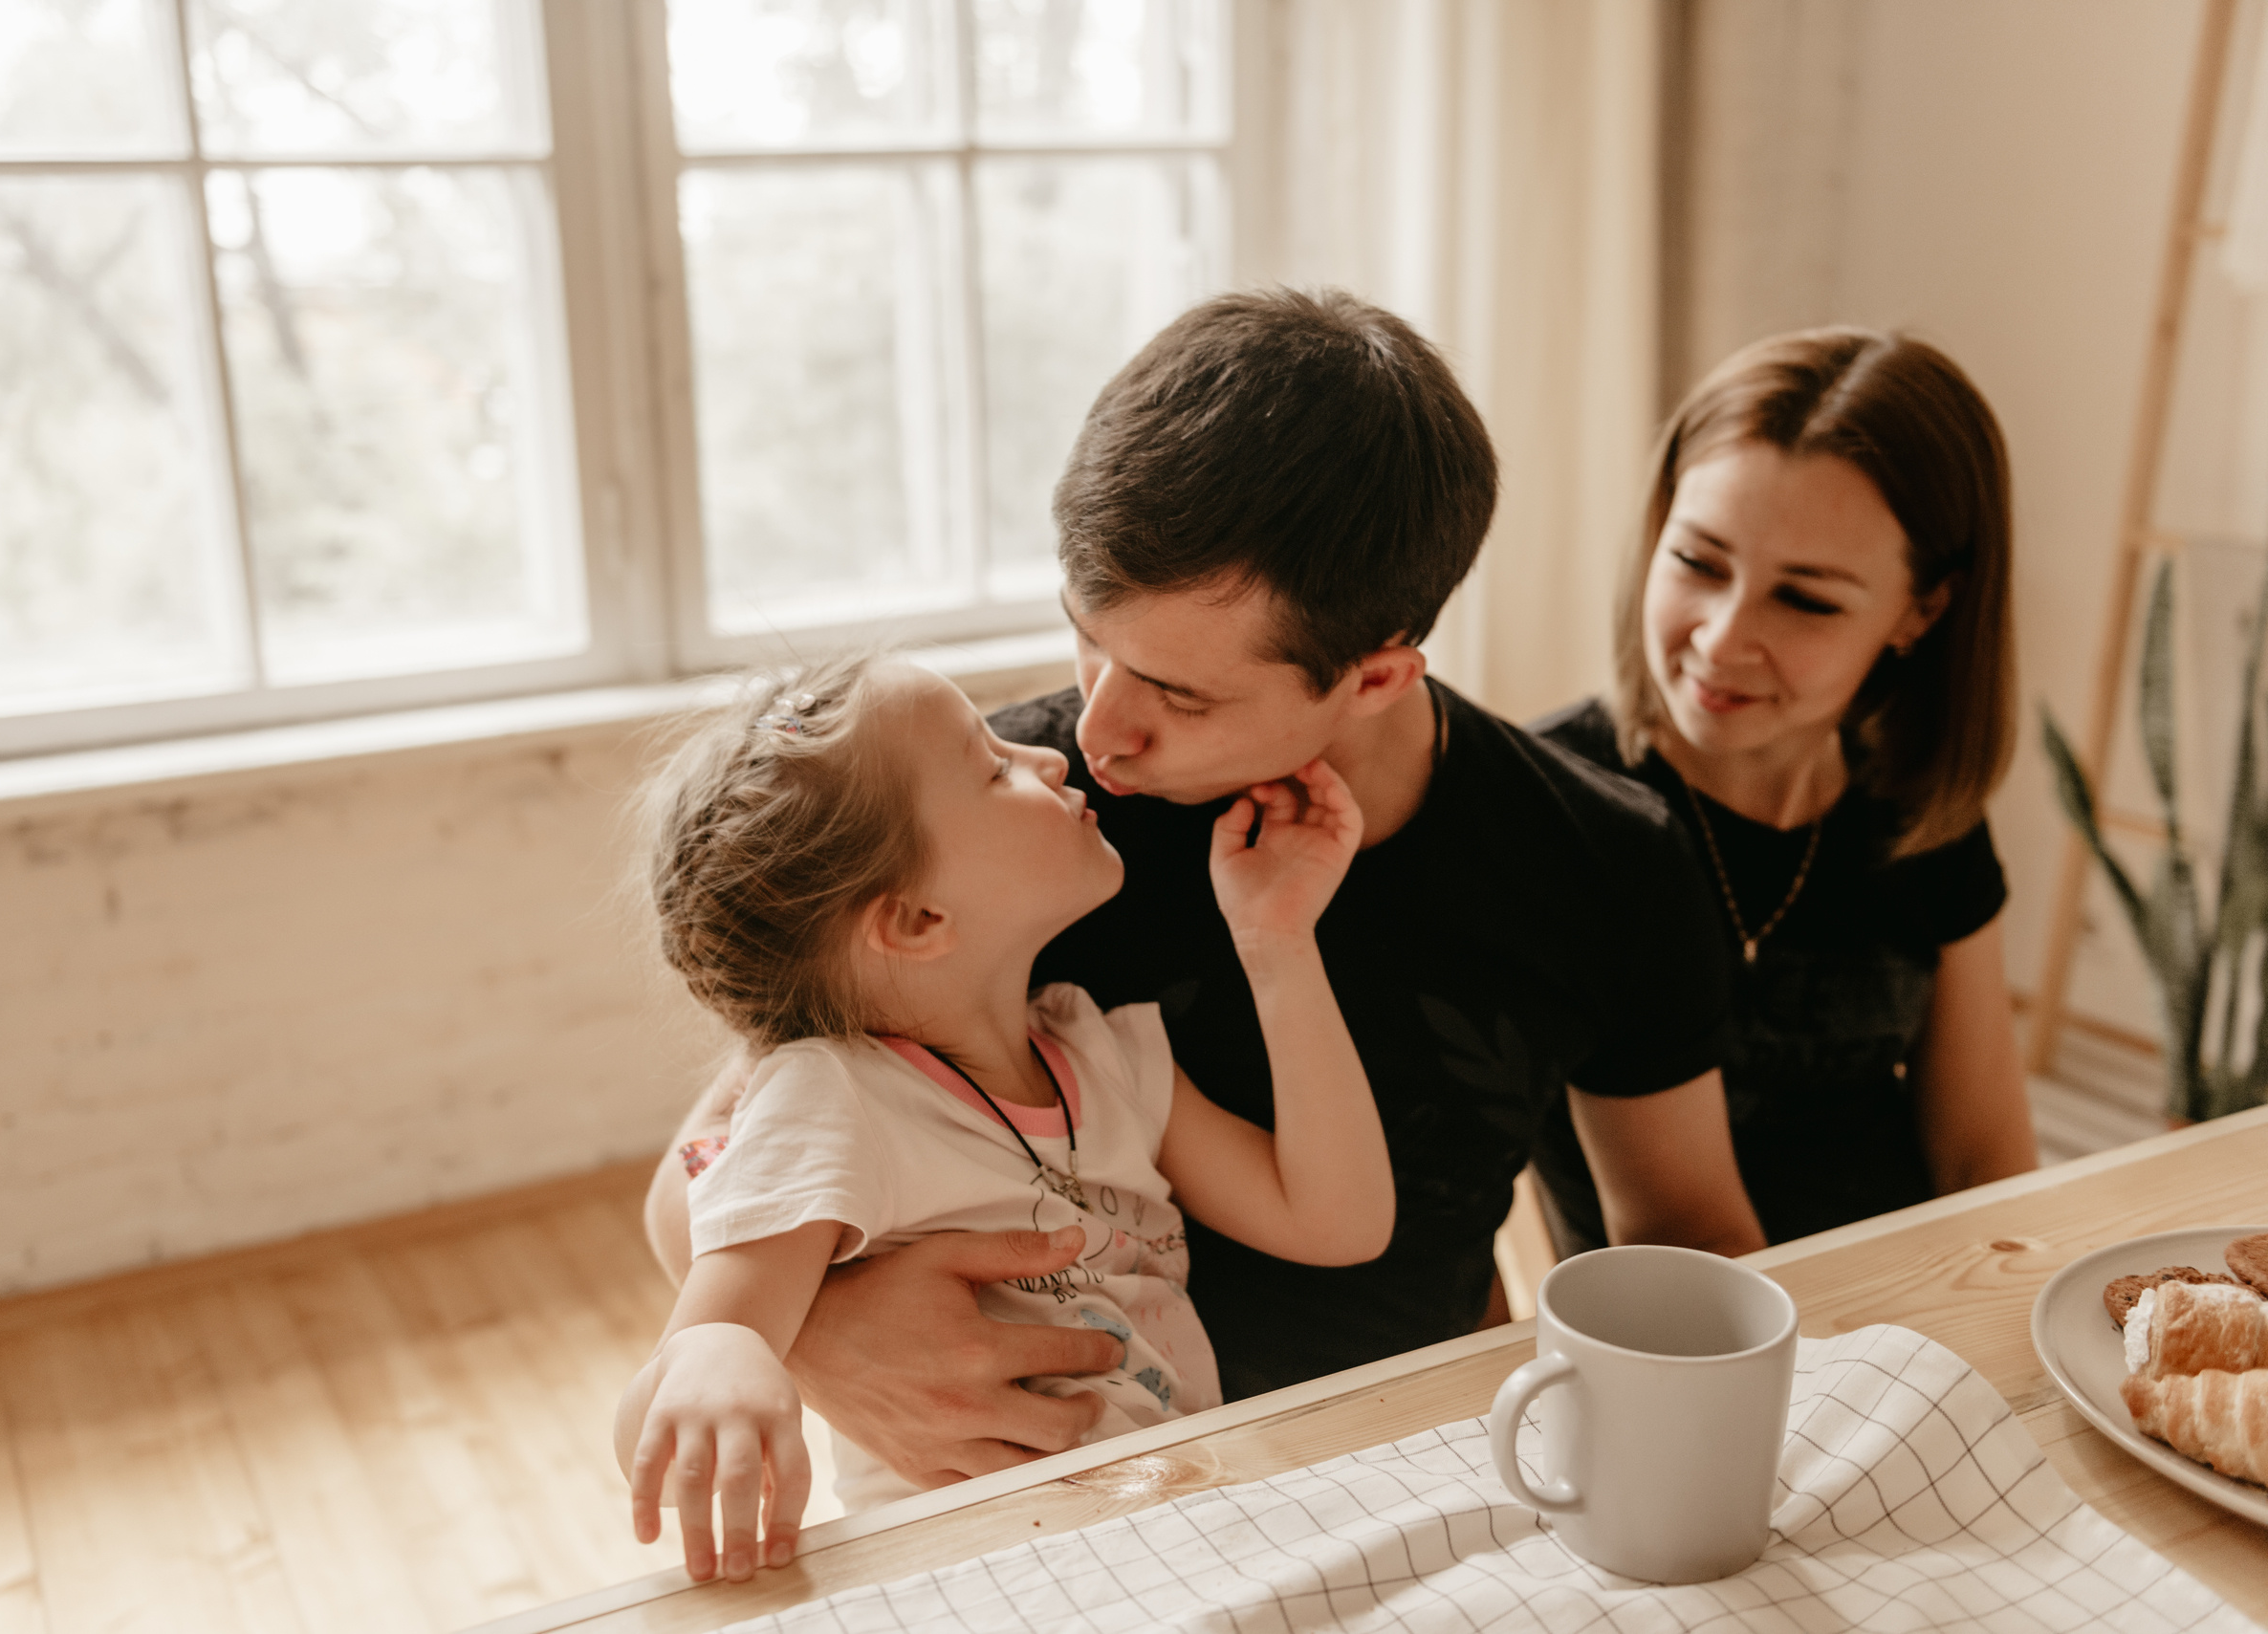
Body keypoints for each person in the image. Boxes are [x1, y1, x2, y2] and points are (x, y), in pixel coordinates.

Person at [645, 288, 1767, 1493]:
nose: (1098, 729)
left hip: (1413, 1471)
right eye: (1088, 636)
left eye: (1181, 696)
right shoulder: (998, 832)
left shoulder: (1605, 861)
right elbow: (706, 1172)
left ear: (1377, 673)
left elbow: (1686, 1236)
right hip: (1071, 1506)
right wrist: (817, 1343)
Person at [615, 654, 1393, 1582]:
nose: (1047, 756)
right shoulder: (829, 1097)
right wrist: (721, 1357)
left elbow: (1336, 1220)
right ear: (914, 919)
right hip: (982, 1569)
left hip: (1171, 1531)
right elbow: (699, 1346)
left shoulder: (1101, 1053)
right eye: (992, 764)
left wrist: (1277, 939)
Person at [1531, 328, 2038, 1254]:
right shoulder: (1543, 808)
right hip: (1685, 1340)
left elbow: (1981, 1158)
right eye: (1696, 562)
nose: (1721, 640)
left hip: (1904, 1309)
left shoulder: (1916, 803)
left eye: (1804, 599)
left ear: (1921, 612)